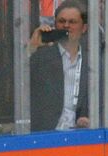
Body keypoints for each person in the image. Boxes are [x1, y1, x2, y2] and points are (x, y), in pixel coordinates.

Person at [29, 1, 91, 130]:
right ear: (55, 25)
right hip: (47, 136)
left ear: (84, 28)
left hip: (82, 137)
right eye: (62, 21)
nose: (66, 26)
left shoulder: (92, 60)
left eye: (72, 22)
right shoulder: (41, 57)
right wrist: (30, 49)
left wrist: (91, 119)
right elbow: (12, 90)